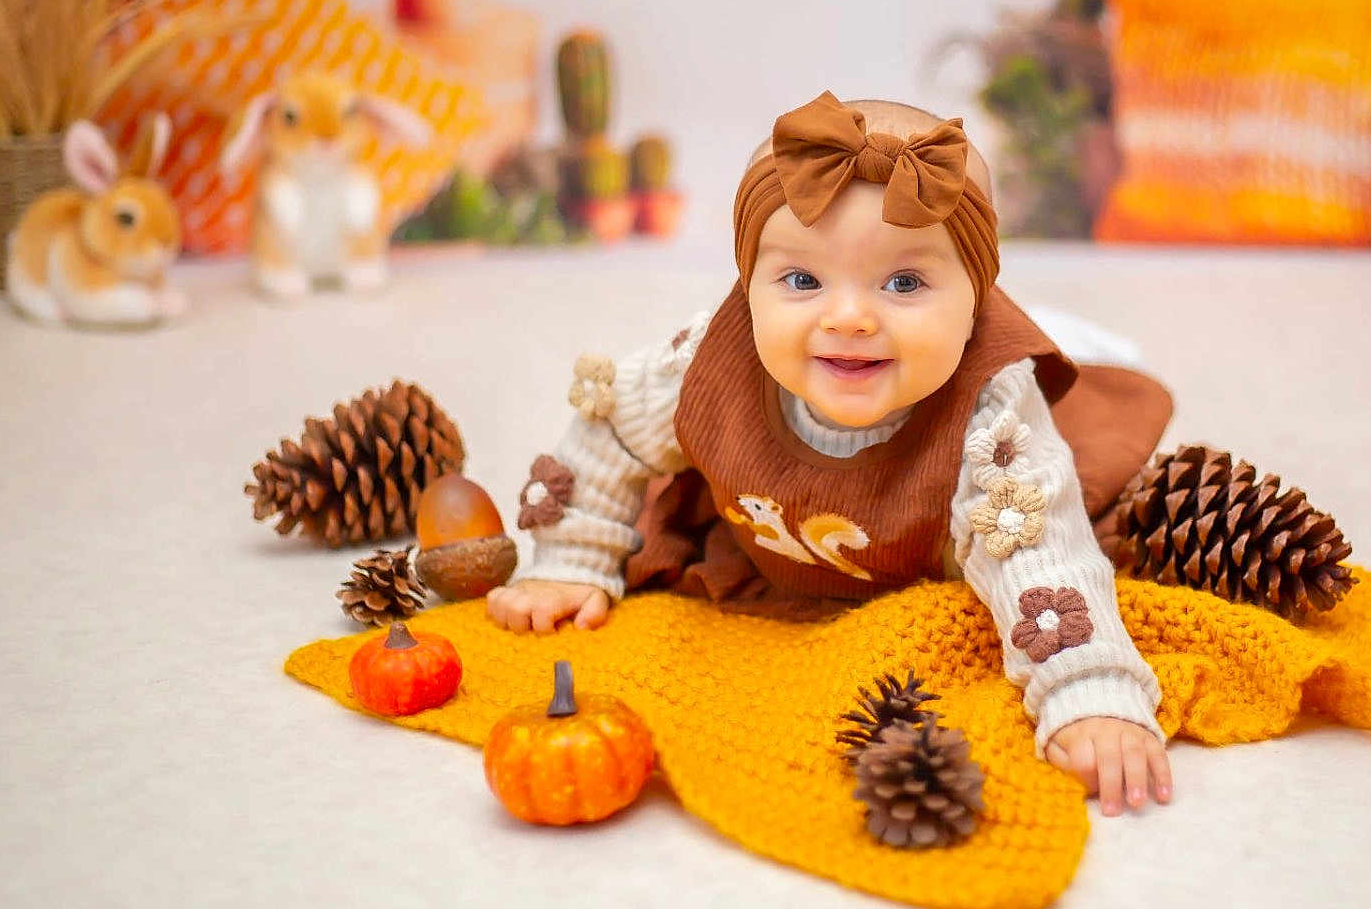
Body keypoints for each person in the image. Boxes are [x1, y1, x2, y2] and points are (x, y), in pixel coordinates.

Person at [488, 91, 1177, 815]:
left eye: (904, 282)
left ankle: (1085, 341)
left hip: (940, 546)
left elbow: (1042, 556)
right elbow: (612, 429)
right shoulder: (708, 365)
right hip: (781, 550)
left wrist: (1087, 692)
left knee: (1066, 490)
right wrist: (573, 558)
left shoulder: (993, 413)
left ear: (977, 297)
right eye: (802, 281)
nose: (848, 318)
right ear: (747, 286)